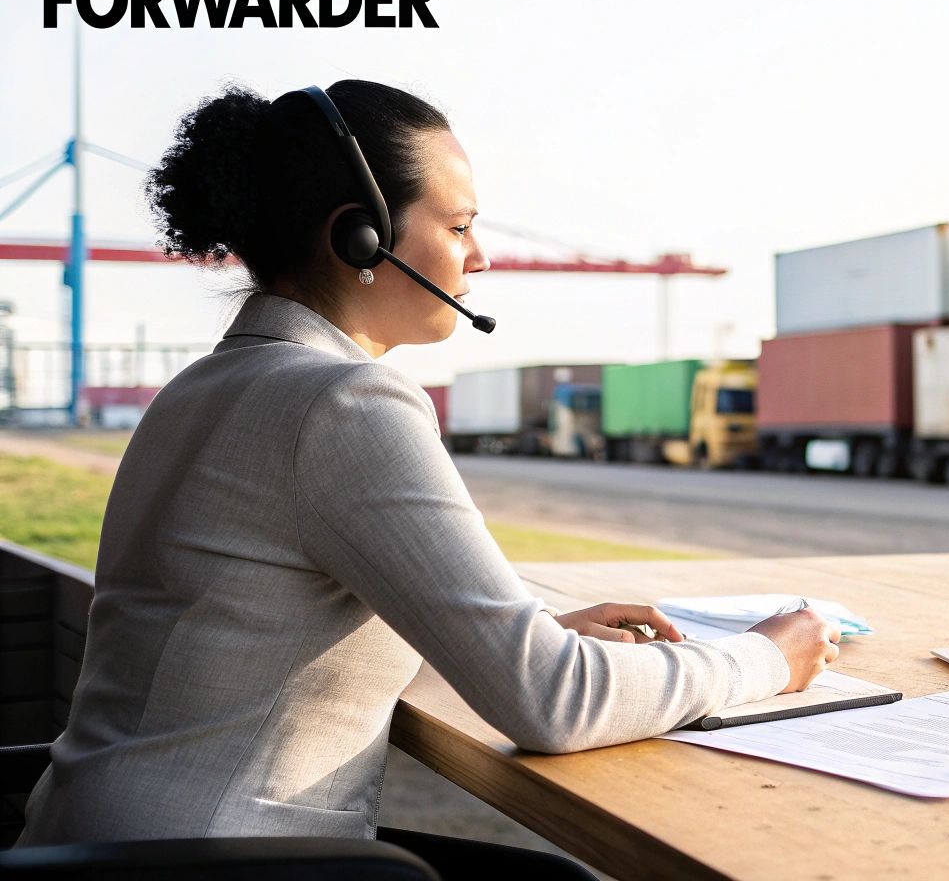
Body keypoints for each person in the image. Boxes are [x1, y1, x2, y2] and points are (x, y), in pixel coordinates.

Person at [16, 81, 838, 875]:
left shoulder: (201, 388)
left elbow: (260, 621)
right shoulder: (343, 402)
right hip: (221, 858)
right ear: (361, 239)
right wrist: (767, 656)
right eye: (459, 225)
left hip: (86, 840)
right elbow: (553, 703)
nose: (481, 256)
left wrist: (527, 631)